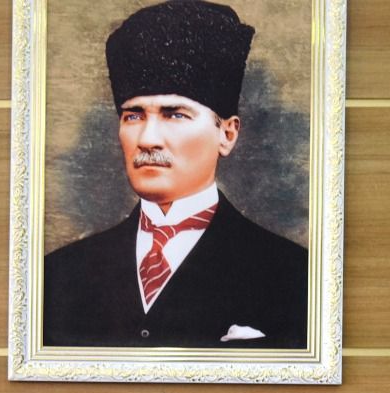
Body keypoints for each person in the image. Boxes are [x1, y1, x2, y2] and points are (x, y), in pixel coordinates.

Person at [42, 0, 310, 349]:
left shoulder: (294, 275)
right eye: (134, 116)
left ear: (227, 134)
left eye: (175, 115)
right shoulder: (60, 274)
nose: (148, 139)